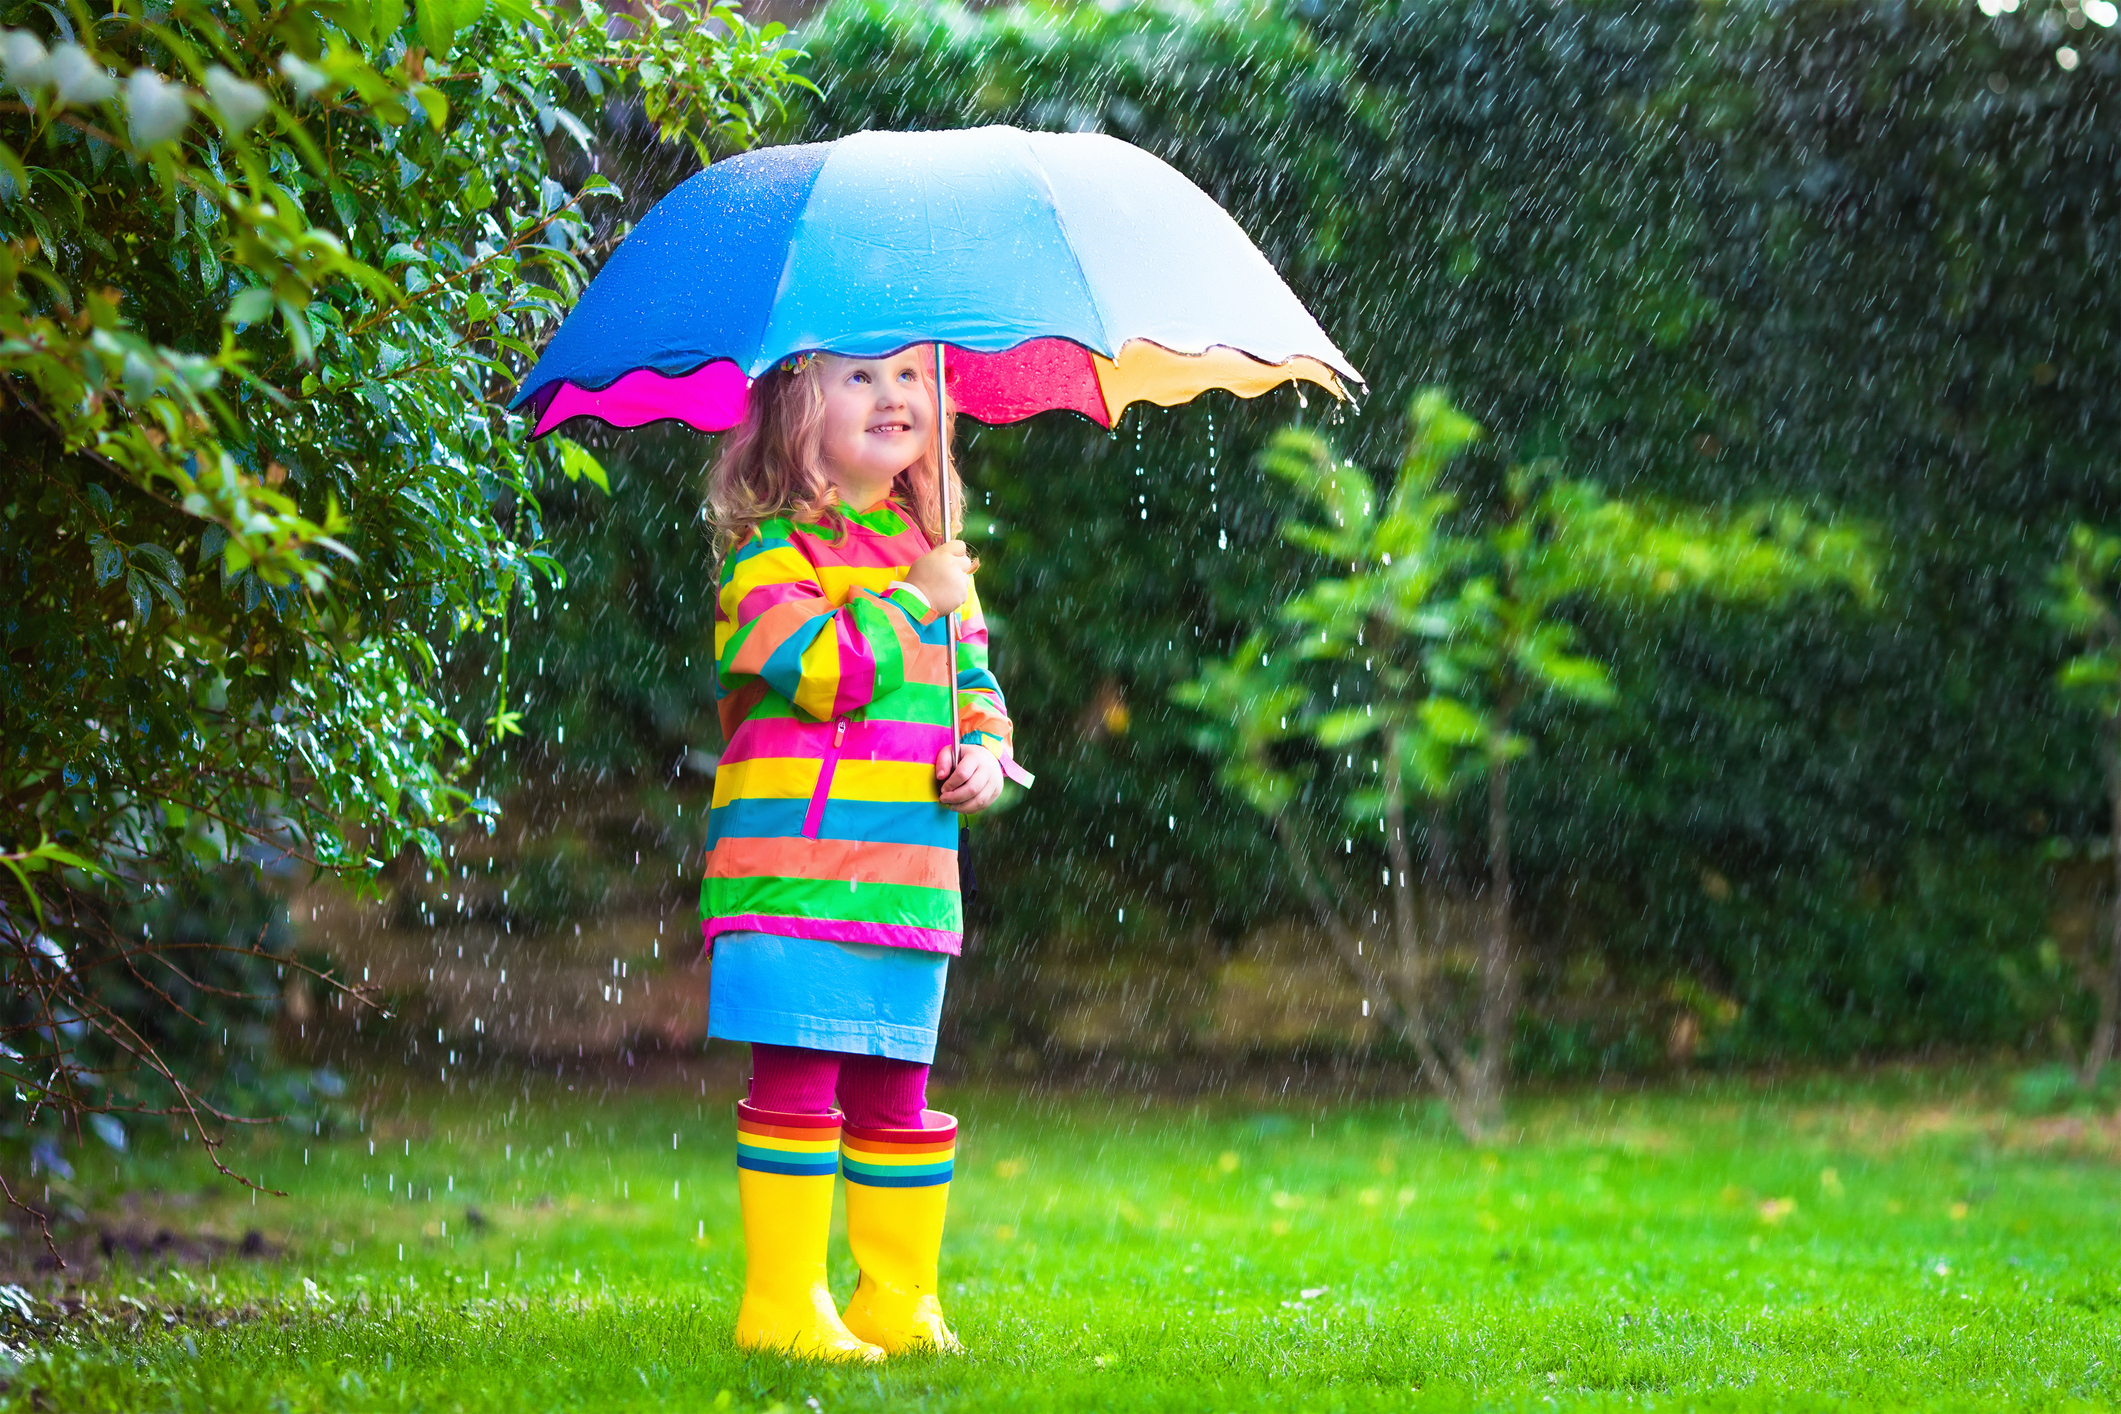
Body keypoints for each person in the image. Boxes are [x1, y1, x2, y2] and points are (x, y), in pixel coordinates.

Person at [700, 345, 1026, 1362]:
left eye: (908, 377)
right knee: (800, 1081)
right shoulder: (769, 556)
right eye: (859, 377)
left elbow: (975, 686)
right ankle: (784, 1303)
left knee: (896, 1092)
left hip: (908, 881)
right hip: (793, 878)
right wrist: (913, 598)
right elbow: (823, 673)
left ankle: (897, 1294)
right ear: (796, 410)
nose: (894, 396)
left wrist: (985, 752)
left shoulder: (933, 555)